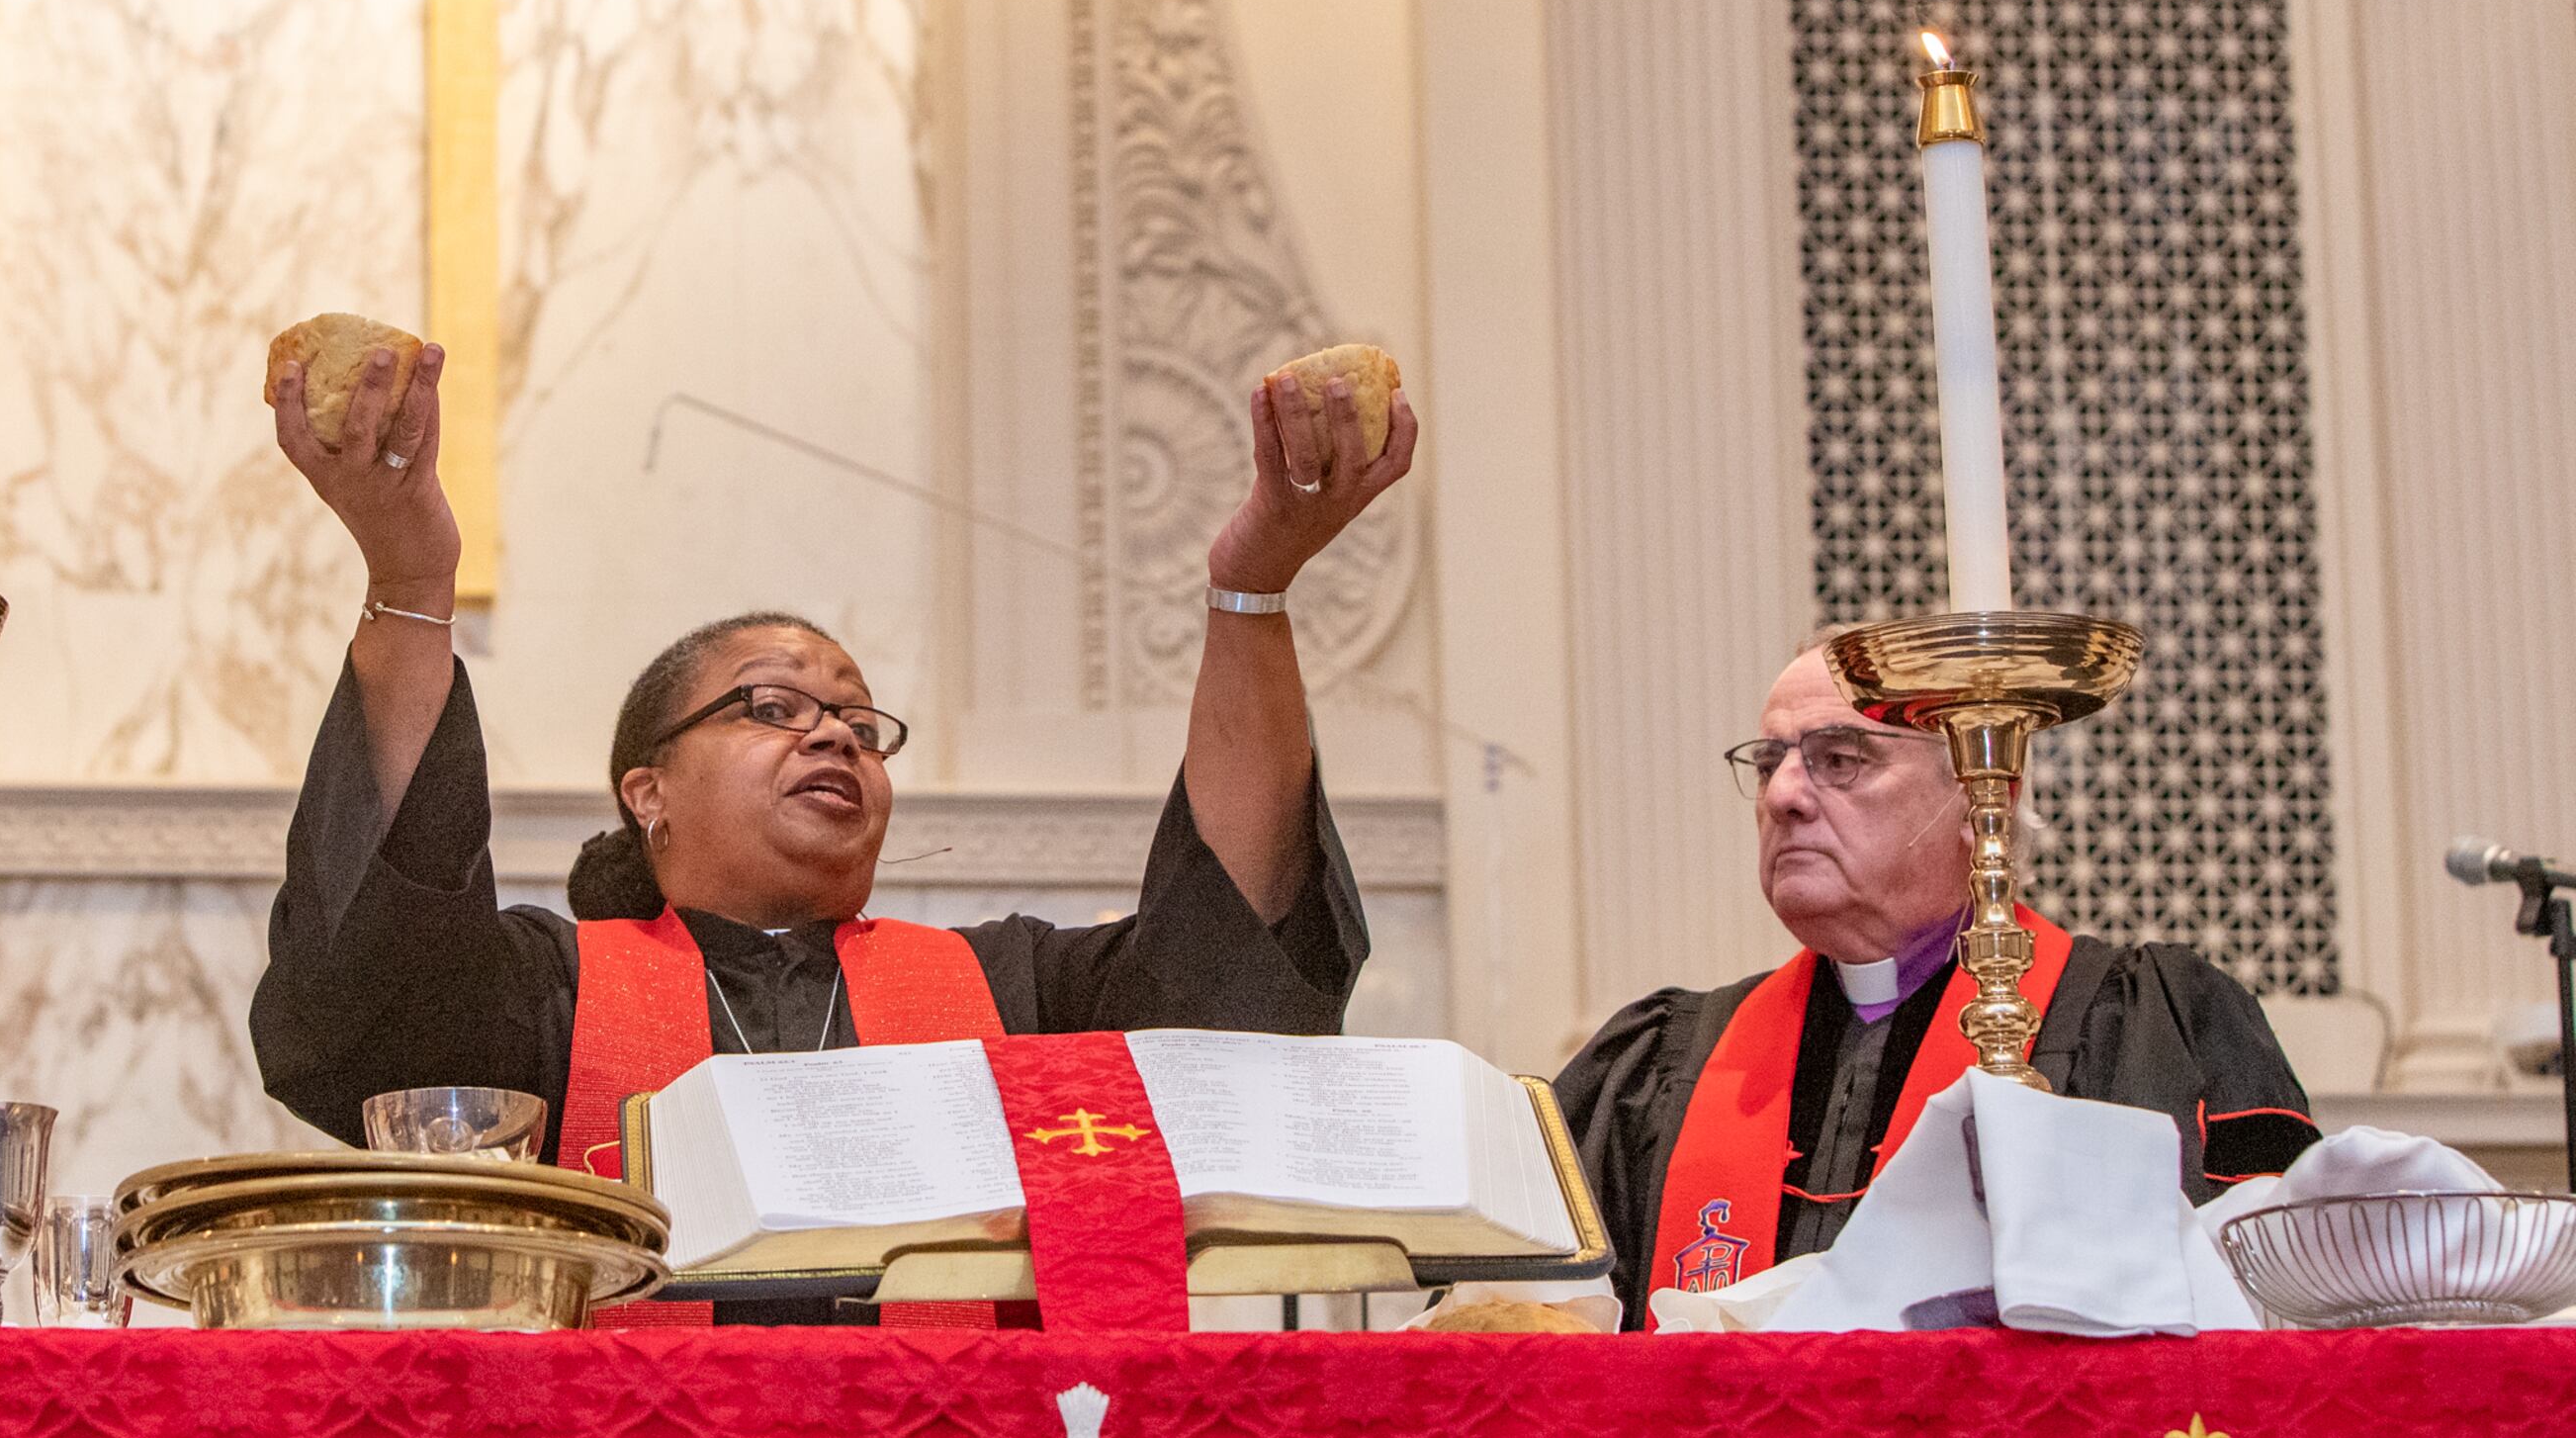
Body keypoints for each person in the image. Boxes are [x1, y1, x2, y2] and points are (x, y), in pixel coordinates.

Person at [249, 336, 1414, 1322]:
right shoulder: (541, 995)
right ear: (644, 791)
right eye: (773, 708)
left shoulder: (1009, 990)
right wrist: (410, 570)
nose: (835, 737)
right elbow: (369, 992)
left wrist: (1255, 586)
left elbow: (1233, 975)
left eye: (860, 721)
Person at [1551, 646, 2319, 1322]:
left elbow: (2260, 1323)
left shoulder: (2149, 1025)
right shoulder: (1659, 1065)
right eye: (1768, 762)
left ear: (1980, 800)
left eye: (1840, 759)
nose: (1782, 795)